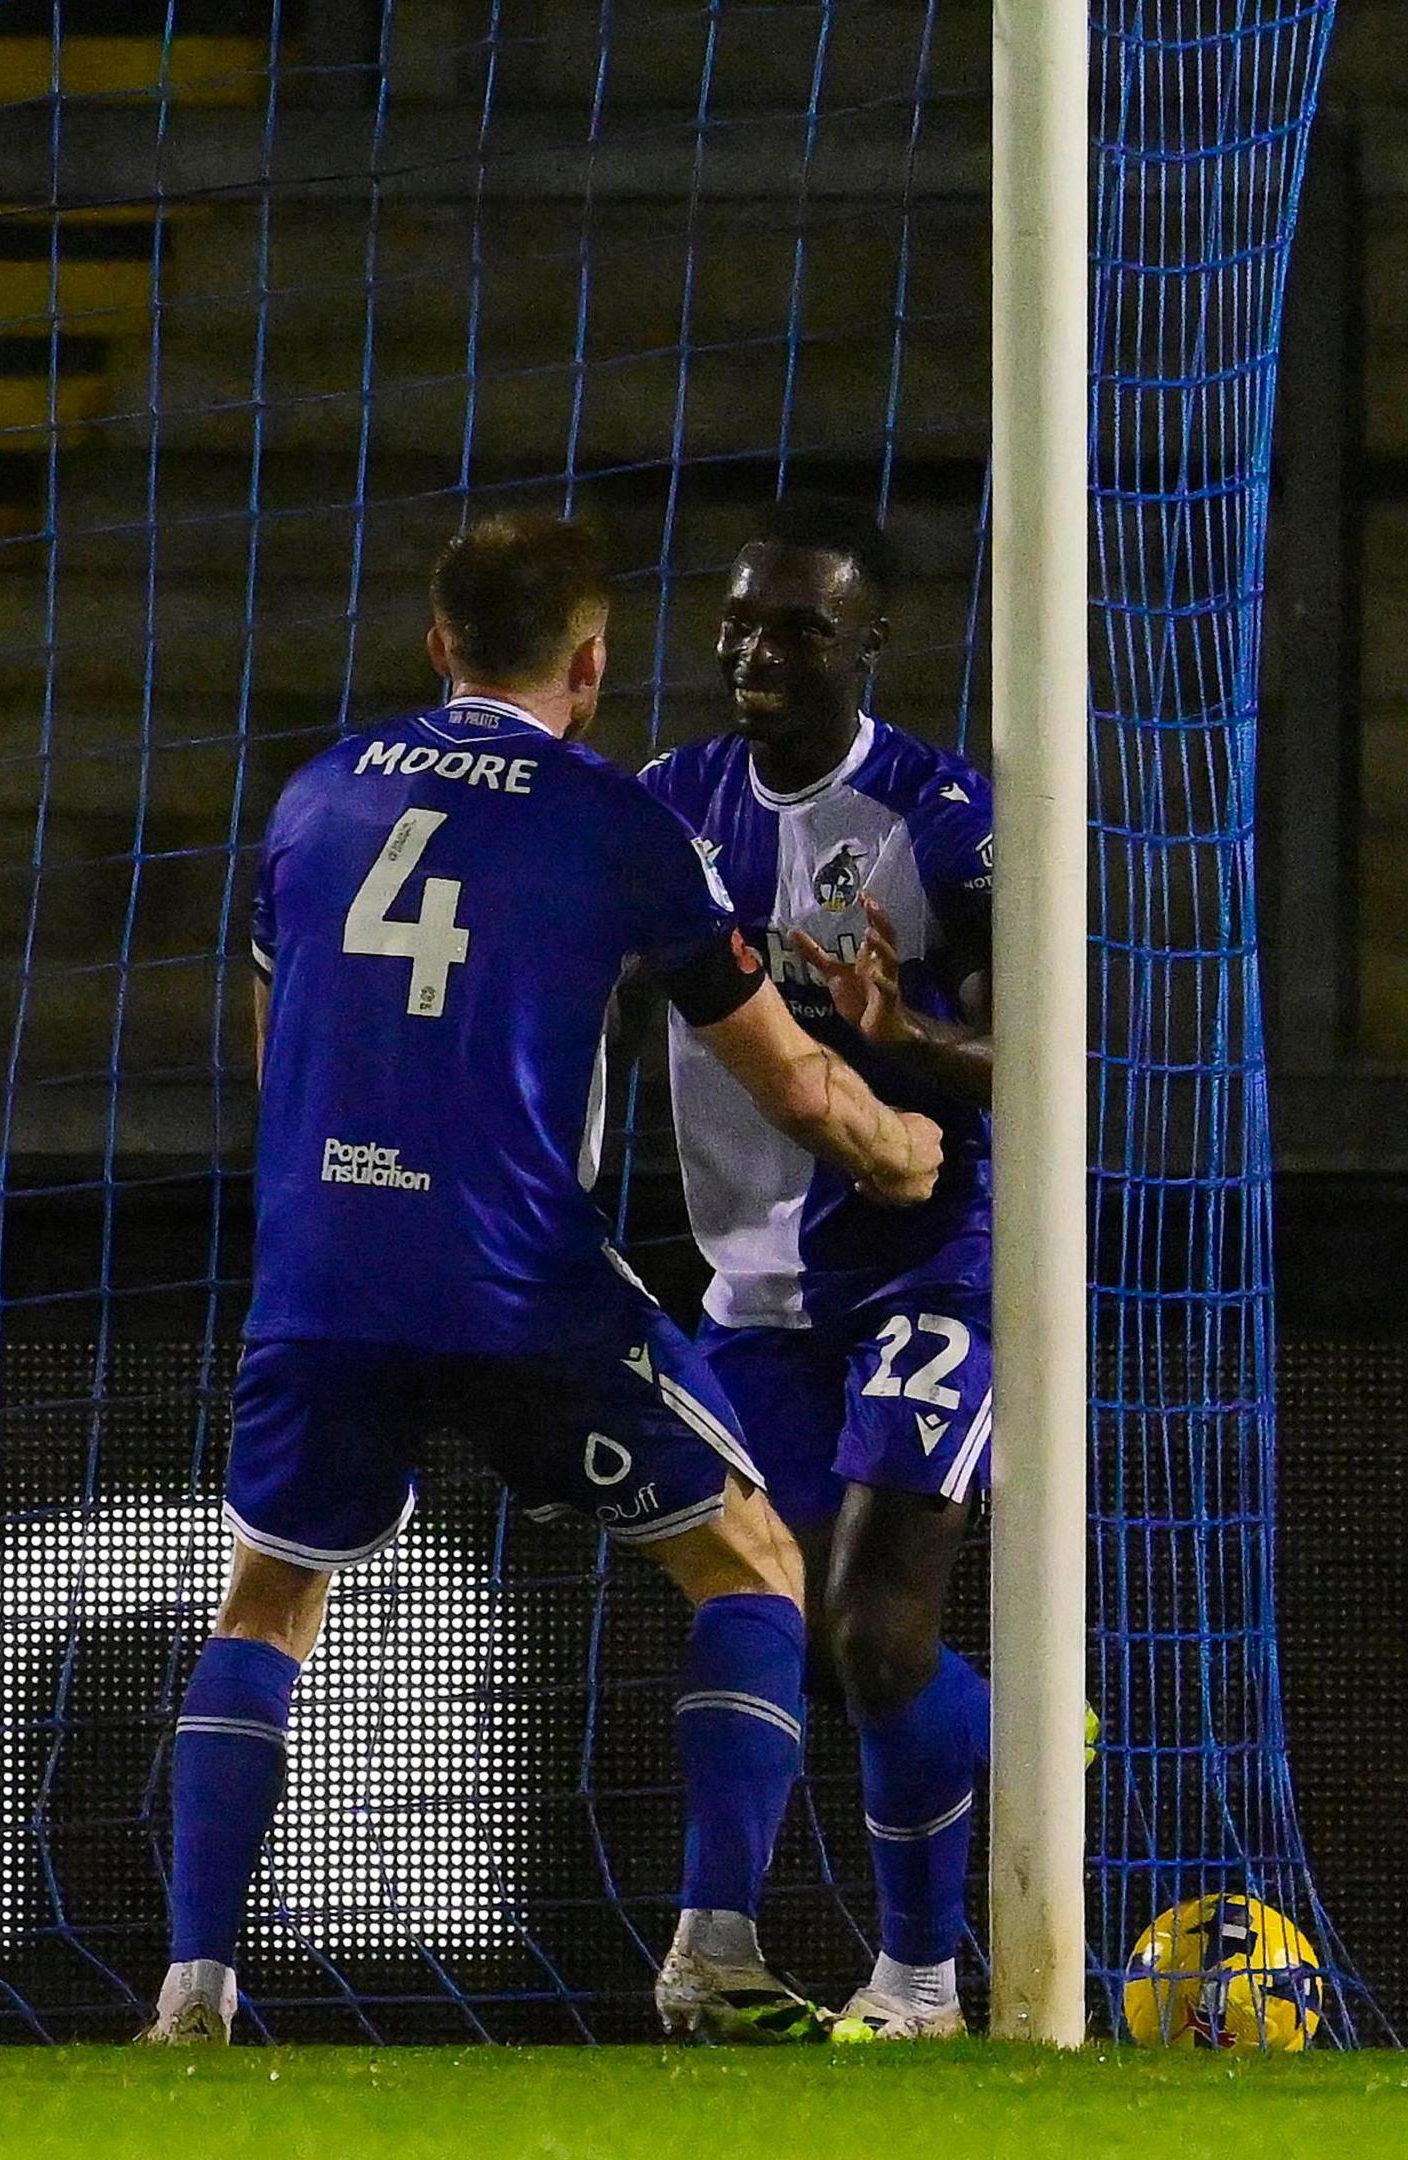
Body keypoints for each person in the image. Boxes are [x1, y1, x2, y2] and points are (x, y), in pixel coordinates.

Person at [142, 513, 946, 2048]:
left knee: (268, 1601)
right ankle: (711, 1952)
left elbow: (273, 1051)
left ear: (438, 644)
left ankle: (191, 1990)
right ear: (592, 663)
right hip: (515, 1282)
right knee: (754, 1562)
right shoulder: (621, 823)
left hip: (321, 1275)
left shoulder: (313, 800)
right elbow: (785, 1078)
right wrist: (904, 1148)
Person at [640, 498, 995, 2042]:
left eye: (795, 626)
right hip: (749, 1293)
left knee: (871, 1631)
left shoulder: (945, 816)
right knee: (767, 1615)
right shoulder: (669, 807)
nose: (755, 650)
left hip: (927, 1261)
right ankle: (713, 1955)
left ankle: (916, 1985)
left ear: (869, 643)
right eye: (738, 620)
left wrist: (919, 1044)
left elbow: (1051, 1051)